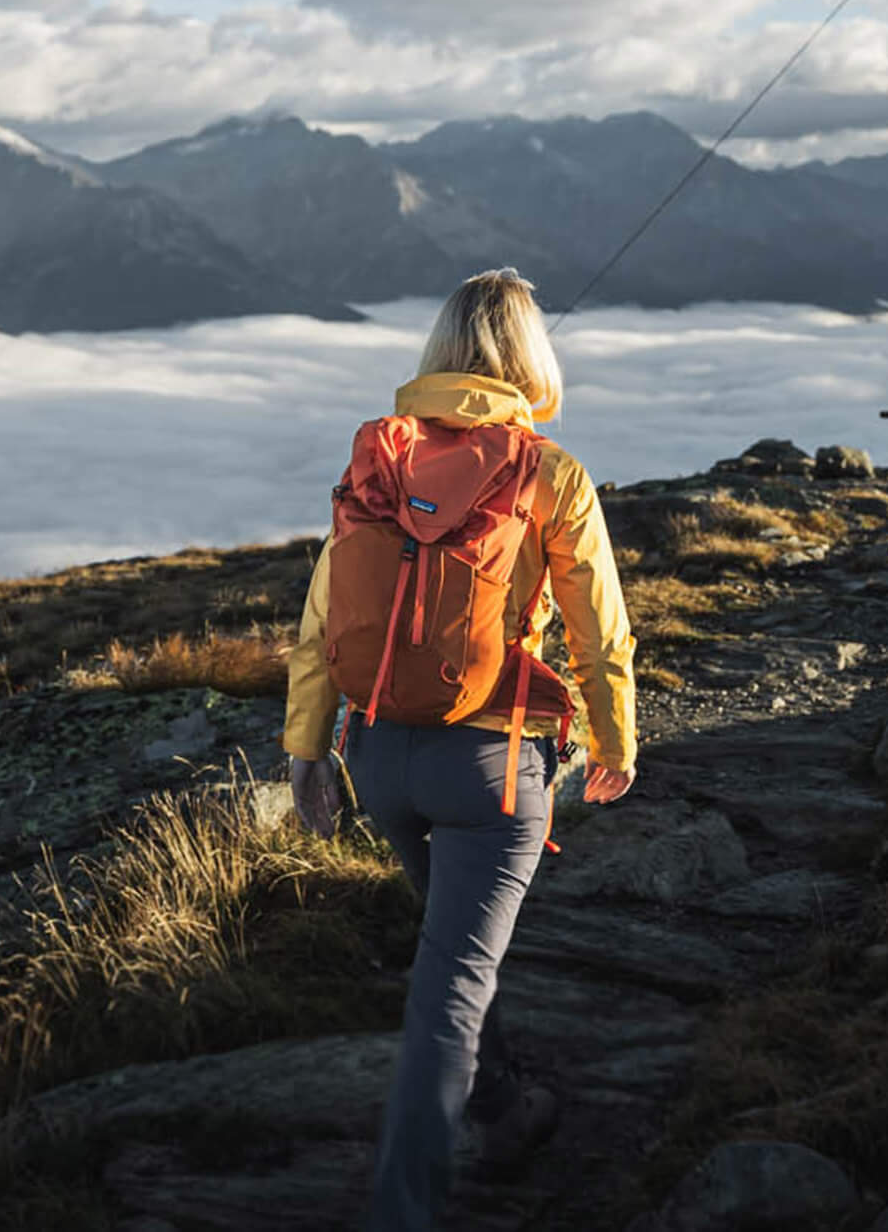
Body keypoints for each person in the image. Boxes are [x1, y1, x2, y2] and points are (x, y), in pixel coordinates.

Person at [284, 269, 637, 1232]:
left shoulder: (378, 464)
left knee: (451, 956)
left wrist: (306, 755)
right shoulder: (546, 471)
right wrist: (616, 739)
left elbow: (323, 623)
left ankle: (505, 1110)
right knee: (449, 993)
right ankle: (404, 1210)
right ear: (530, 357)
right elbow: (599, 628)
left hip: (379, 758)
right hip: (490, 766)